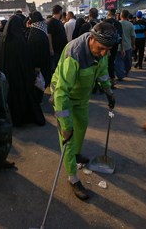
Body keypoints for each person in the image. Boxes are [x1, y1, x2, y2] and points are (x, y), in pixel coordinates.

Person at [50, 22, 117, 200]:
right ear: (92, 38)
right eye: (101, 48)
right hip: (64, 97)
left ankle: (77, 154)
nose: (103, 53)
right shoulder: (75, 54)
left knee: (82, 126)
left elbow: (102, 72)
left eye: (107, 50)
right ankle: (72, 178)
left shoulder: (102, 52)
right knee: (69, 138)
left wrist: (108, 90)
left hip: (82, 97)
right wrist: (65, 125)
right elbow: (61, 92)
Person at [0, 15, 45, 126]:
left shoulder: (3, 40)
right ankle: (22, 119)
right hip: (20, 76)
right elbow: (26, 61)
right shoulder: (20, 40)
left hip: (7, 75)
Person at [27, 11, 51, 103]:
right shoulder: (42, 28)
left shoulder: (35, 31)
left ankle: (37, 98)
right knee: (41, 80)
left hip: (38, 63)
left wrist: (37, 65)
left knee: (38, 81)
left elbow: (35, 49)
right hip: (44, 60)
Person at [47, 5, 68, 74]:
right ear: (59, 11)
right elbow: (49, 35)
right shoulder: (51, 22)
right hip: (55, 49)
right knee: (55, 68)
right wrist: (51, 48)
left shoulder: (59, 22)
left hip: (61, 49)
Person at [114, 9, 135, 79]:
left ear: (121, 15)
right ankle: (125, 72)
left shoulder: (117, 23)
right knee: (128, 61)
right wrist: (133, 44)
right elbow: (133, 36)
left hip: (118, 46)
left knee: (118, 61)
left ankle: (120, 74)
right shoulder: (130, 24)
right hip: (128, 46)